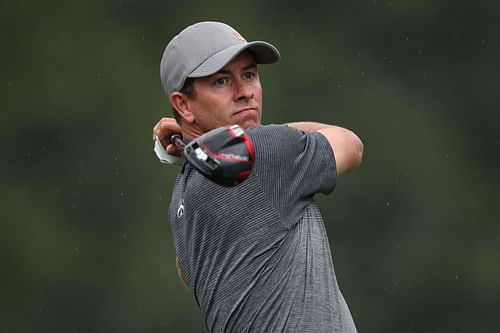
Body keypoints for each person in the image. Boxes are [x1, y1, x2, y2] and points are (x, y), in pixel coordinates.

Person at [153, 21, 363, 332]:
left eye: (249, 75)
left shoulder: (183, 196)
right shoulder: (266, 154)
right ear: (183, 105)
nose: (245, 92)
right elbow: (350, 144)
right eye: (222, 81)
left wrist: (190, 145)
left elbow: (186, 272)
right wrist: (212, 144)